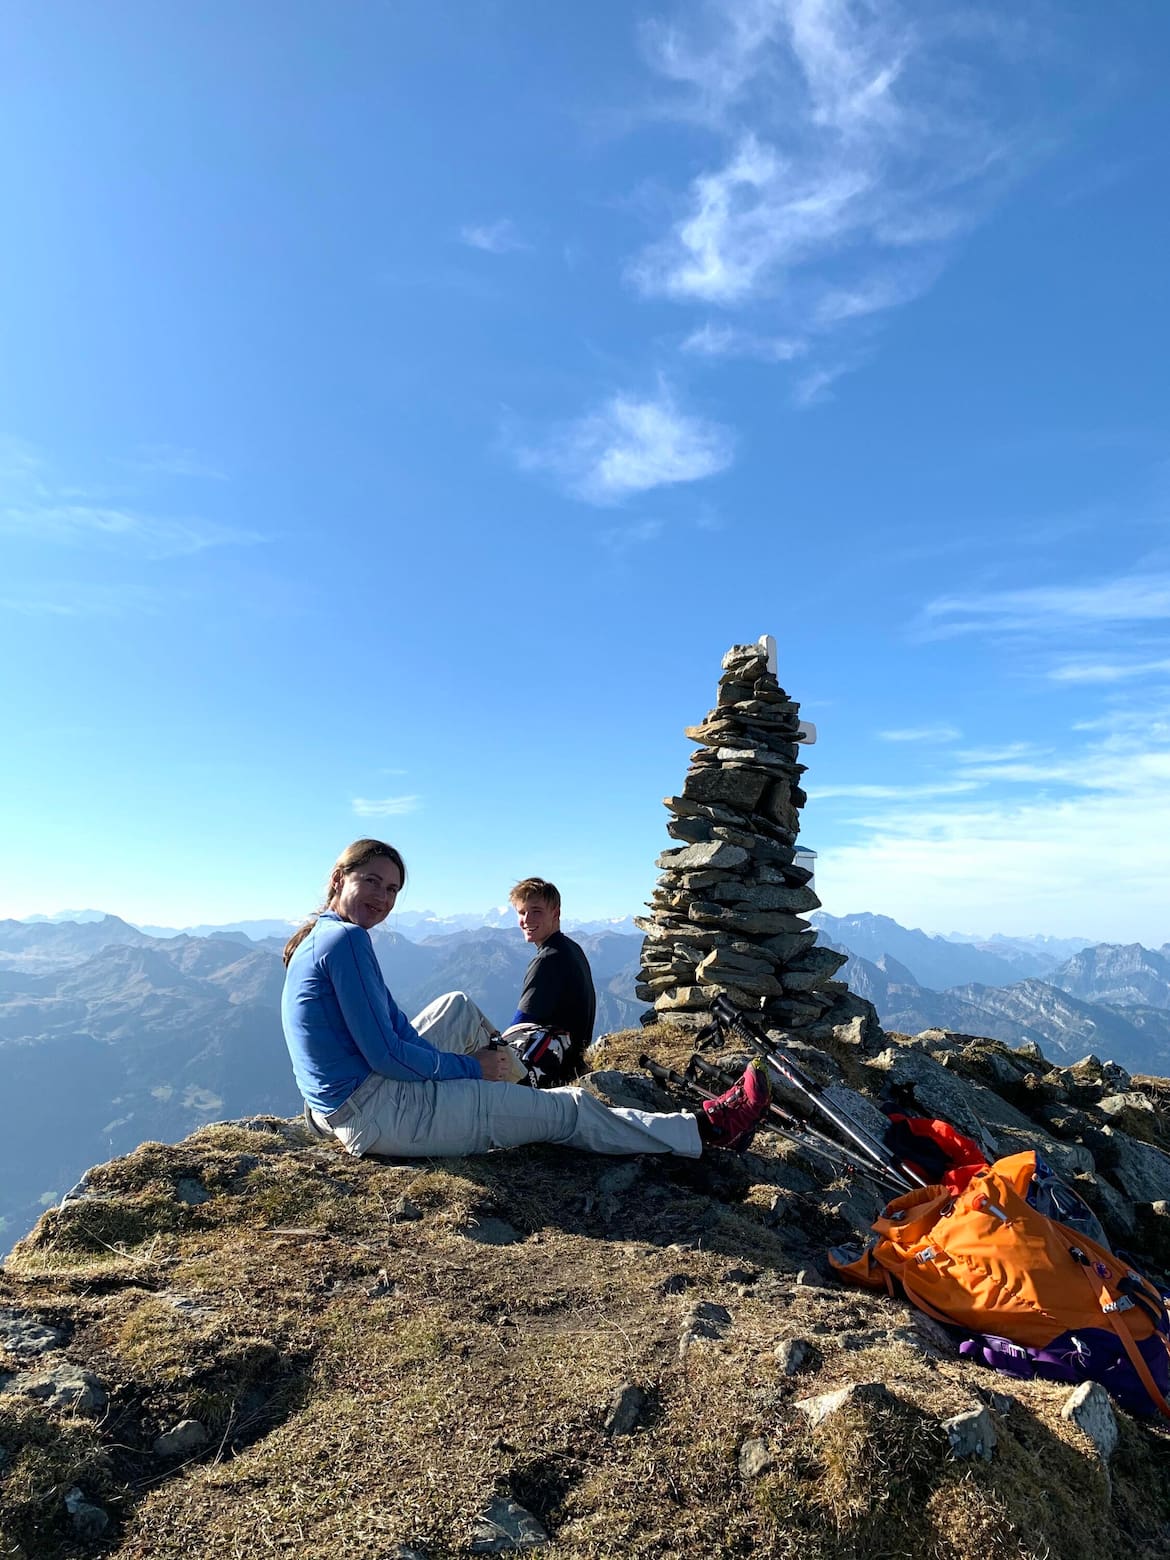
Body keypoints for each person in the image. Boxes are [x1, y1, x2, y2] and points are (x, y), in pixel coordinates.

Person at [280, 838, 772, 1162]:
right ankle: (707, 1130)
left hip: (342, 1103)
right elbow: (387, 1054)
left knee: (455, 1004)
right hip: (378, 1114)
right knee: (570, 1109)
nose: (383, 898)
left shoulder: (323, 935)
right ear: (339, 878)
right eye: (373, 882)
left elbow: (393, 1035)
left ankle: (512, 1084)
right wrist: (472, 1069)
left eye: (391, 889)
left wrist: (465, 1063)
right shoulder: (347, 942)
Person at [506, 876, 595, 1082]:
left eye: (536, 911)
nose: (527, 920)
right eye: (522, 912)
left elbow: (520, 1025)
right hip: (570, 1060)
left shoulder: (548, 959)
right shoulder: (571, 948)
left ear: (556, 913)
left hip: (549, 1066)